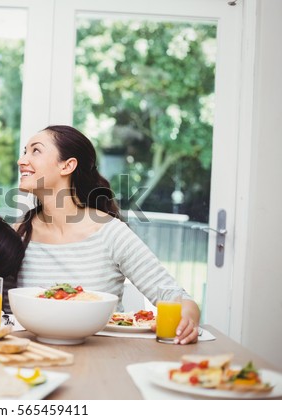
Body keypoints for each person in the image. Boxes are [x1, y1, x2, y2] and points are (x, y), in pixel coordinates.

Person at [16, 125, 201, 344]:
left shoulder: (110, 232)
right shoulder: (20, 232)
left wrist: (187, 319)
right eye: (24, 152)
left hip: (103, 358)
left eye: (35, 151)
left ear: (67, 165)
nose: (22, 160)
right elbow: (0, 306)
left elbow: (175, 297)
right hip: (32, 354)